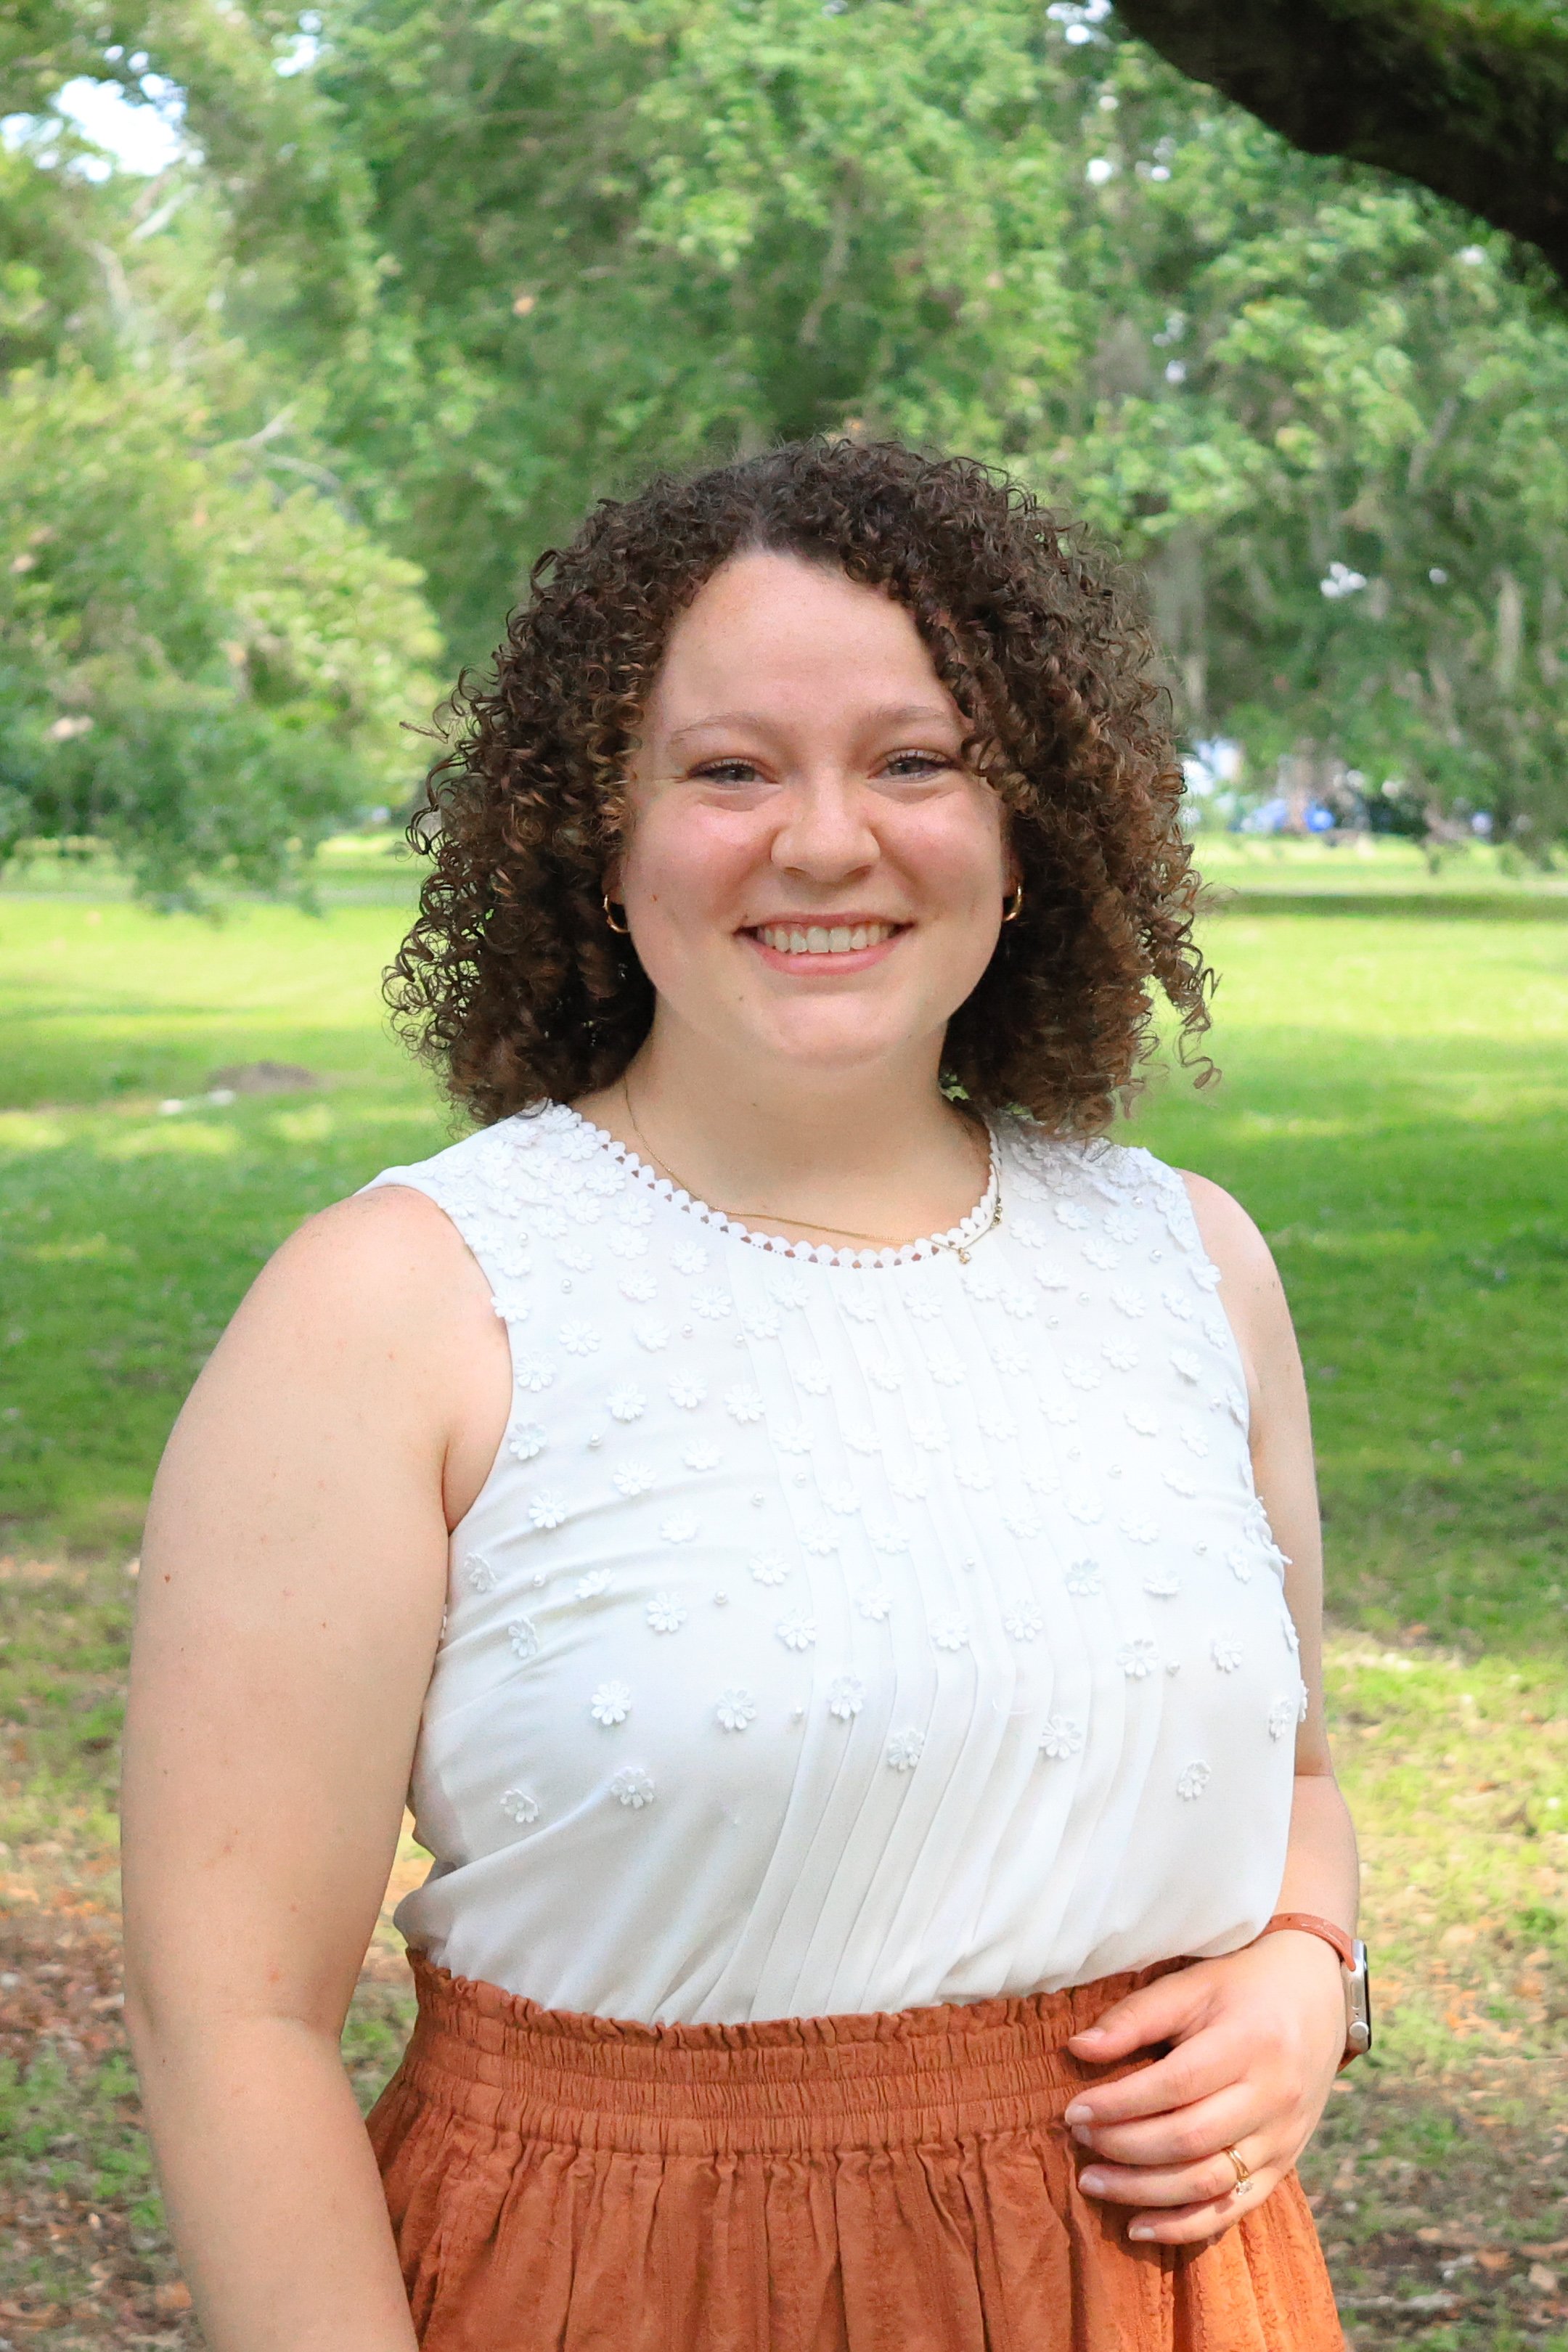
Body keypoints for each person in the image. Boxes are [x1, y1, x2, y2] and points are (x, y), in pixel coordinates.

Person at [121, 439, 1358, 2352]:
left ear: (1031, 830)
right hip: (626, 2291)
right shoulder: (397, 1308)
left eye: (915, 760)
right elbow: (231, 2013)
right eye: (727, 769)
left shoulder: (1195, 1265)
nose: (824, 840)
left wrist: (1308, 1965)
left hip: (1164, 2296)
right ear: (594, 837)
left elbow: (1295, 1785)